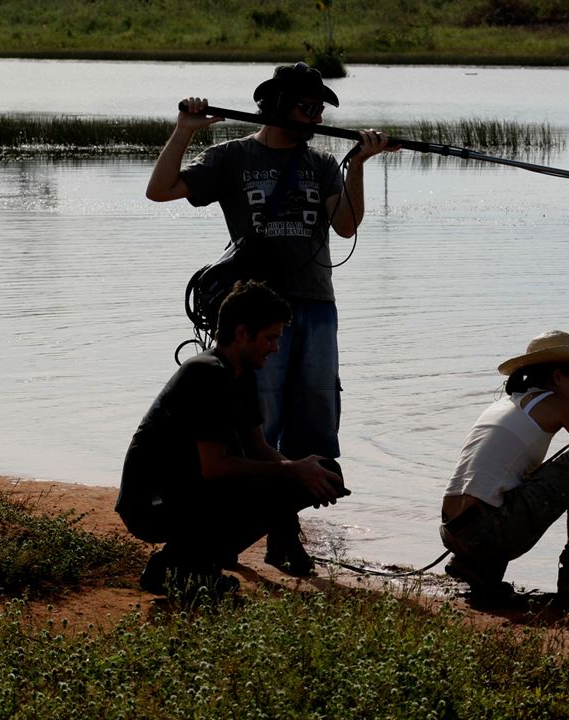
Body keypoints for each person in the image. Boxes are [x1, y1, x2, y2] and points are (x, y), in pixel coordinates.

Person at [145, 61, 391, 572]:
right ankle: (251, 534)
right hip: (253, 314)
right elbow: (160, 190)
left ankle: (284, 535)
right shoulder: (231, 157)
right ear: (277, 105)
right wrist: (183, 132)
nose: (316, 115)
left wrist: (359, 165)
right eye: (308, 106)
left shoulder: (322, 164)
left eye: (321, 108)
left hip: (316, 306)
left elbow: (346, 226)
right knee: (260, 424)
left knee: (317, 420)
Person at [115, 281, 349, 596]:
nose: (276, 348)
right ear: (241, 333)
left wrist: (304, 469)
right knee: (280, 481)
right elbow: (215, 467)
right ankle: (176, 568)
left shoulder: (243, 373)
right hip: (150, 504)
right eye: (270, 338)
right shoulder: (207, 373)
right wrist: (291, 471)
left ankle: (197, 562)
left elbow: (258, 447)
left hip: (188, 491)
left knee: (327, 470)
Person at [440, 330, 569, 603]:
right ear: (558, 376)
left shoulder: (506, 403)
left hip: (454, 529)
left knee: (516, 481)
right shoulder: (559, 405)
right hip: (488, 530)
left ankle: (478, 566)